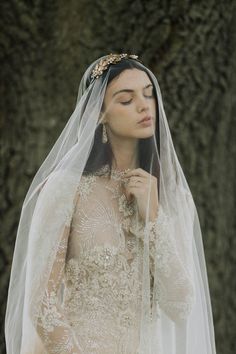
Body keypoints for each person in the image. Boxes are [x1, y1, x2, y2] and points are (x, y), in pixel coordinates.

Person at [4, 53, 217, 354]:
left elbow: (181, 306)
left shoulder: (171, 197)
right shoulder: (67, 188)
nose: (144, 106)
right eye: (126, 100)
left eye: (148, 95)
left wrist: (153, 219)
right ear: (99, 113)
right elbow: (41, 304)